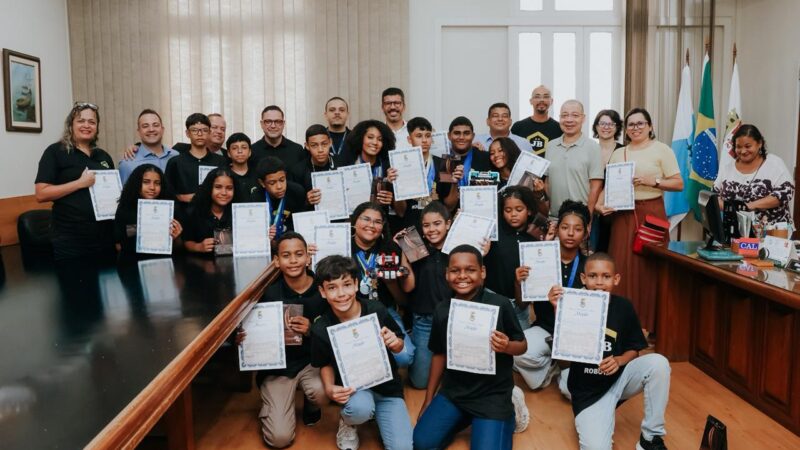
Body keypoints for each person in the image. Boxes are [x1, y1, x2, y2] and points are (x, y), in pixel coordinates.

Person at [549, 252, 671, 450]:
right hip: (590, 393)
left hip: (620, 380)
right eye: (592, 276)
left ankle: (651, 438)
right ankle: (593, 408)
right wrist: (558, 311)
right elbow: (563, 352)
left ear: (616, 279)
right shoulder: (572, 305)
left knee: (659, 364)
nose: (599, 282)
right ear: (583, 278)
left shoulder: (624, 306)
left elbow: (634, 348)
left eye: (606, 276)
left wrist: (620, 360)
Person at [413, 245, 528, 450]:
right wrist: (428, 399)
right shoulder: (442, 309)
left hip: (492, 395)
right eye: (455, 270)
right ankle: (466, 416)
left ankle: (512, 408)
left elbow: (522, 345)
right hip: (455, 392)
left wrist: (506, 346)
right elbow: (439, 354)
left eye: (470, 270)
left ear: (482, 272)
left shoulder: (500, 304)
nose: (462, 276)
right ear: (447, 274)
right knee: (422, 442)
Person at [310, 255, 414, 450]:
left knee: (403, 448)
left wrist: (395, 343)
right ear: (322, 292)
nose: (341, 293)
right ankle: (349, 422)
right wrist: (330, 387)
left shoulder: (377, 310)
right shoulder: (320, 327)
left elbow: (399, 344)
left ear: (356, 285)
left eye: (347, 284)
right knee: (360, 409)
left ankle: (377, 414)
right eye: (332, 287)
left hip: (387, 388)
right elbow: (324, 363)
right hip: (355, 390)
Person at [235, 232, 328, 448]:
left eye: (299, 254)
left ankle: (312, 405)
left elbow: (335, 330)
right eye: (286, 255)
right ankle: (274, 406)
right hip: (277, 368)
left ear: (308, 257)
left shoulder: (323, 290)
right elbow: (248, 326)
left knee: (323, 393)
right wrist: (242, 339)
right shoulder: (267, 293)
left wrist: (311, 330)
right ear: (276, 261)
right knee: (279, 439)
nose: (293, 260)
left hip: (311, 362)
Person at [599, 108, 683, 333]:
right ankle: (620, 326)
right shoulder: (619, 153)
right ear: (625, 129)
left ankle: (649, 324)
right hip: (623, 214)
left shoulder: (661, 150)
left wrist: (653, 181)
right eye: (631, 124)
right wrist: (600, 204)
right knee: (622, 265)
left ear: (650, 126)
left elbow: (678, 183)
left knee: (649, 268)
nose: (635, 128)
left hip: (651, 213)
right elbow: (608, 186)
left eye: (640, 123)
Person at [513, 200, 589, 392]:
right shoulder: (540, 260)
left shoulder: (590, 266)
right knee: (517, 353)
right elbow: (522, 305)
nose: (570, 233)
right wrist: (518, 282)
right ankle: (550, 368)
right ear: (557, 229)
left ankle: (565, 367)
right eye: (565, 227)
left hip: (576, 335)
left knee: (570, 390)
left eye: (577, 229)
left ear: (585, 233)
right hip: (546, 329)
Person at [34, 102, 117, 261]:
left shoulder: (104, 156)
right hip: (71, 241)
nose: (86, 125)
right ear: (71, 125)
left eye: (92, 122)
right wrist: (79, 183)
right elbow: (41, 193)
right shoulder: (55, 152)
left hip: (104, 239)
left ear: (97, 127)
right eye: (81, 121)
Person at [348, 202, 415, 368]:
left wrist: (406, 251)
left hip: (385, 311)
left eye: (377, 222)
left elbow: (407, 291)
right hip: (351, 312)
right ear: (355, 221)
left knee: (405, 357)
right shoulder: (341, 245)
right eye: (366, 219)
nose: (371, 225)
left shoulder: (391, 247)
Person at [395, 201, 452, 389]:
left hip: (452, 319)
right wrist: (404, 250)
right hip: (425, 320)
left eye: (437, 224)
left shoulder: (455, 249)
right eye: (426, 225)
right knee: (420, 383)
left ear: (448, 224)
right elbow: (408, 287)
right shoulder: (416, 248)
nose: (432, 229)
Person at [485, 186, 554, 330]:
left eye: (519, 209)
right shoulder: (494, 233)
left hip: (520, 307)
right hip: (492, 299)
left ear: (528, 210)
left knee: (520, 347)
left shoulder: (535, 237)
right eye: (508, 210)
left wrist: (546, 245)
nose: (513, 215)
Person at [713, 124, 794, 226]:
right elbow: (714, 195)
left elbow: (786, 193)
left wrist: (748, 206)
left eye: (748, 146)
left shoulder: (774, 163)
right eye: (738, 147)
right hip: (735, 232)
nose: (743, 151)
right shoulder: (727, 168)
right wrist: (730, 208)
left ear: (759, 143)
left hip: (773, 233)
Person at [544, 100, 604, 217]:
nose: (569, 120)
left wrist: (588, 217)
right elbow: (547, 182)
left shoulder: (593, 147)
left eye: (575, 115)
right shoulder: (551, 146)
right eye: (564, 115)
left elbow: (595, 187)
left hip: (581, 218)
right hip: (555, 217)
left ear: (583, 118)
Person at [113, 164, 183, 259]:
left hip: (163, 263)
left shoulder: (170, 208)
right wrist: (151, 227)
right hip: (132, 263)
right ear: (137, 183)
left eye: (157, 183)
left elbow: (180, 246)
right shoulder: (126, 207)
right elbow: (119, 240)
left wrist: (176, 237)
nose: (152, 187)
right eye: (146, 182)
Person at [164, 113, 227, 206]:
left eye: (204, 130)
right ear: (187, 133)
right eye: (194, 130)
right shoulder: (175, 162)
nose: (200, 134)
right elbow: (166, 193)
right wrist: (180, 197)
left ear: (209, 132)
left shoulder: (221, 161)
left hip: (212, 216)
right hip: (183, 216)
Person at [439, 116, 492, 210]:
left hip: (481, 212)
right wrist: (454, 184)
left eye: (466, 133)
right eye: (457, 133)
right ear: (449, 136)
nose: (461, 137)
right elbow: (448, 205)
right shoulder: (446, 162)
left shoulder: (486, 157)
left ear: (473, 136)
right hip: (453, 217)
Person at [589, 110, 624, 253]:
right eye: (602, 123)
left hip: (612, 212)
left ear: (617, 128)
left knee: (609, 252)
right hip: (589, 208)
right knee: (589, 252)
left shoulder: (623, 151)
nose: (606, 127)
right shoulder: (589, 150)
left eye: (611, 124)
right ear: (596, 127)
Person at [253, 157, 307, 241]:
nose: (279, 187)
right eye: (272, 183)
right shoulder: (256, 199)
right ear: (262, 183)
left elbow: (301, 224)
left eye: (282, 180)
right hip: (267, 242)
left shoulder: (297, 192)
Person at [183, 167, 235, 254]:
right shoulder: (195, 211)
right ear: (209, 188)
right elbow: (186, 241)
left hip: (234, 264)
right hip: (202, 264)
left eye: (229, 188)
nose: (224, 193)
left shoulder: (240, 212)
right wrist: (198, 247)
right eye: (218, 187)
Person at [118, 109, 178, 184]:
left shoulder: (176, 156)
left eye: (155, 125)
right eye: (145, 126)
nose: (151, 129)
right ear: (139, 132)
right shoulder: (128, 163)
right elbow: (125, 195)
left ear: (162, 130)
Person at [289, 124, 340, 204]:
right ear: (307, 146)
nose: (320, 150)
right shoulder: (298, 171)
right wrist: (306, 201)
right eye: (314, 145)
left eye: (324, 144)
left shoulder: (341, 164)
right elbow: (293, 205)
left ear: (330, 142)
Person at [511, 85, 563, 156]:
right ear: (531, 101)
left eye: (546, 96)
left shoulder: (559, 128)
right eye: (537, 97)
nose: (541, 100)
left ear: (551, 101)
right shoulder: (518, 127)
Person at [226, 133, 261, 203]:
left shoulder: (258, 175)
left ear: (250, 152)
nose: (240, 151)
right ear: (229, 153)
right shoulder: (224, 175)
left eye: (244, 147)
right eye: (235, 148)